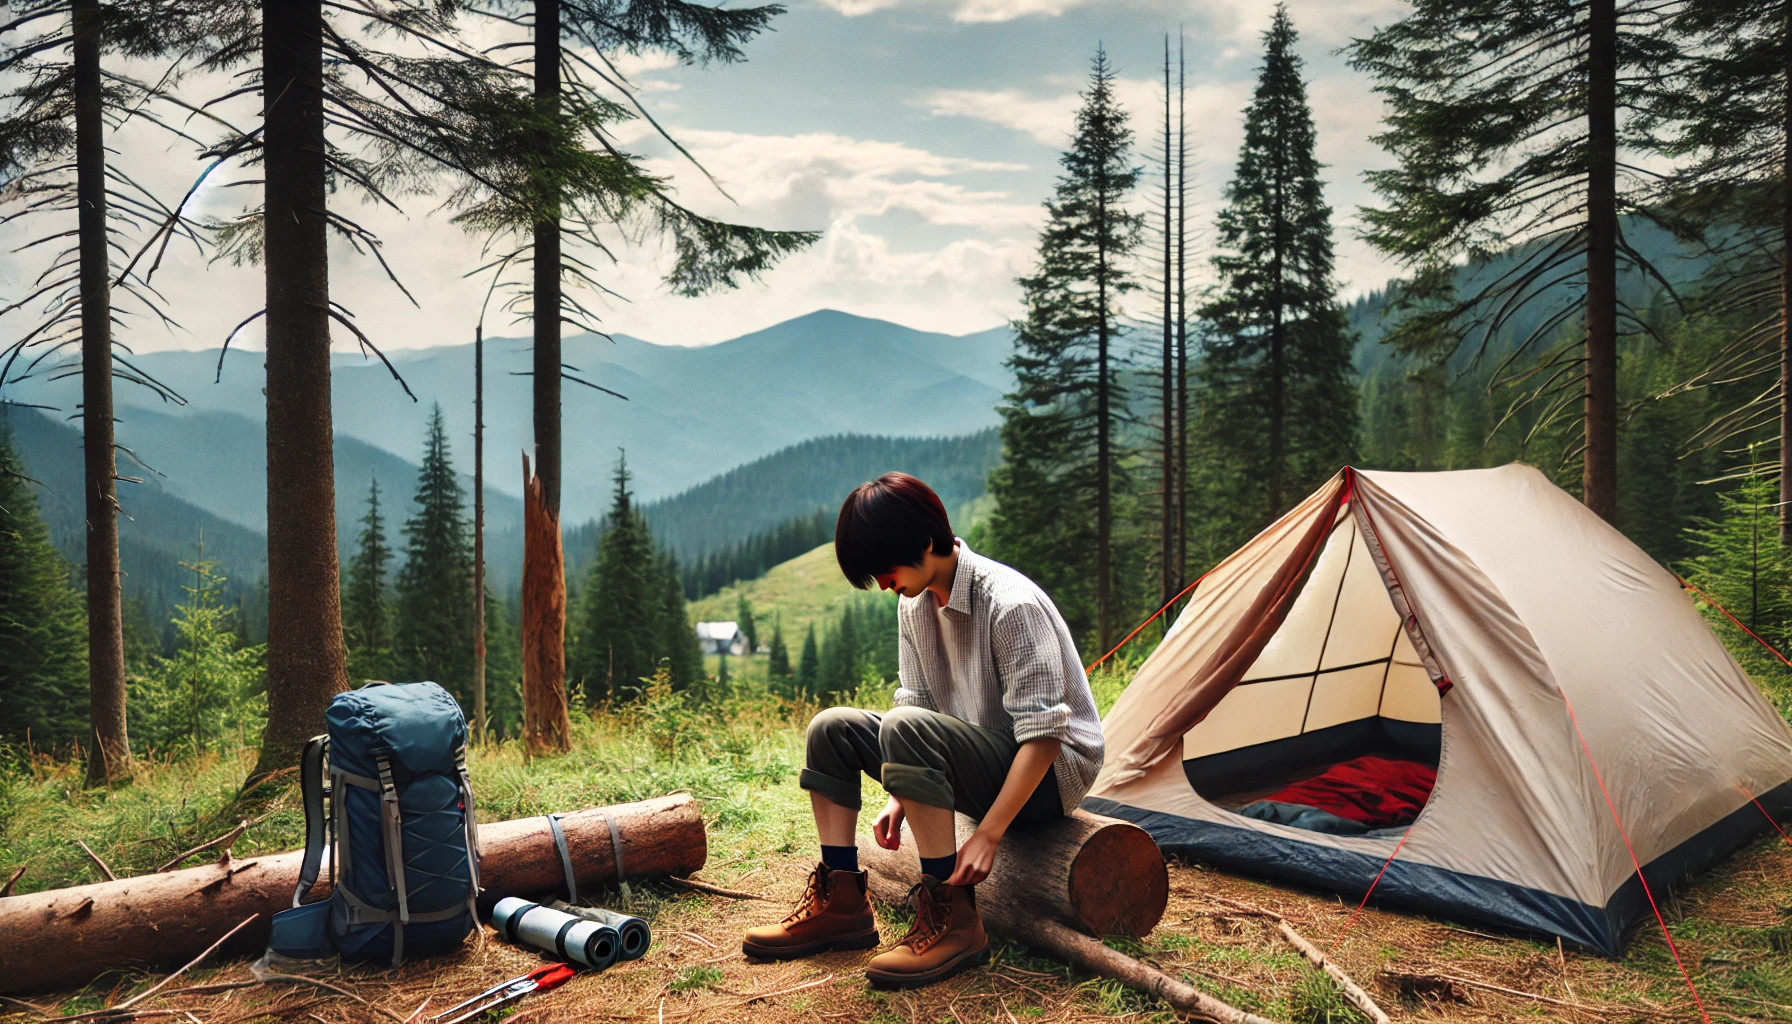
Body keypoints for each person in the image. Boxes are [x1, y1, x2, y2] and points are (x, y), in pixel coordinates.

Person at [742, 472, 1104, 989]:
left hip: (1048, 775)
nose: (883, 584)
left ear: (927, 543)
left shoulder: (1010, 603)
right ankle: (843, 904)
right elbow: (915, 703)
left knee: (906, 725)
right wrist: (900, 796)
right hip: (974, 755)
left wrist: (988, 834)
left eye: (885, 567)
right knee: (832, 728)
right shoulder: (914, 605)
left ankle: (955, 919)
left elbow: (1044, 736)